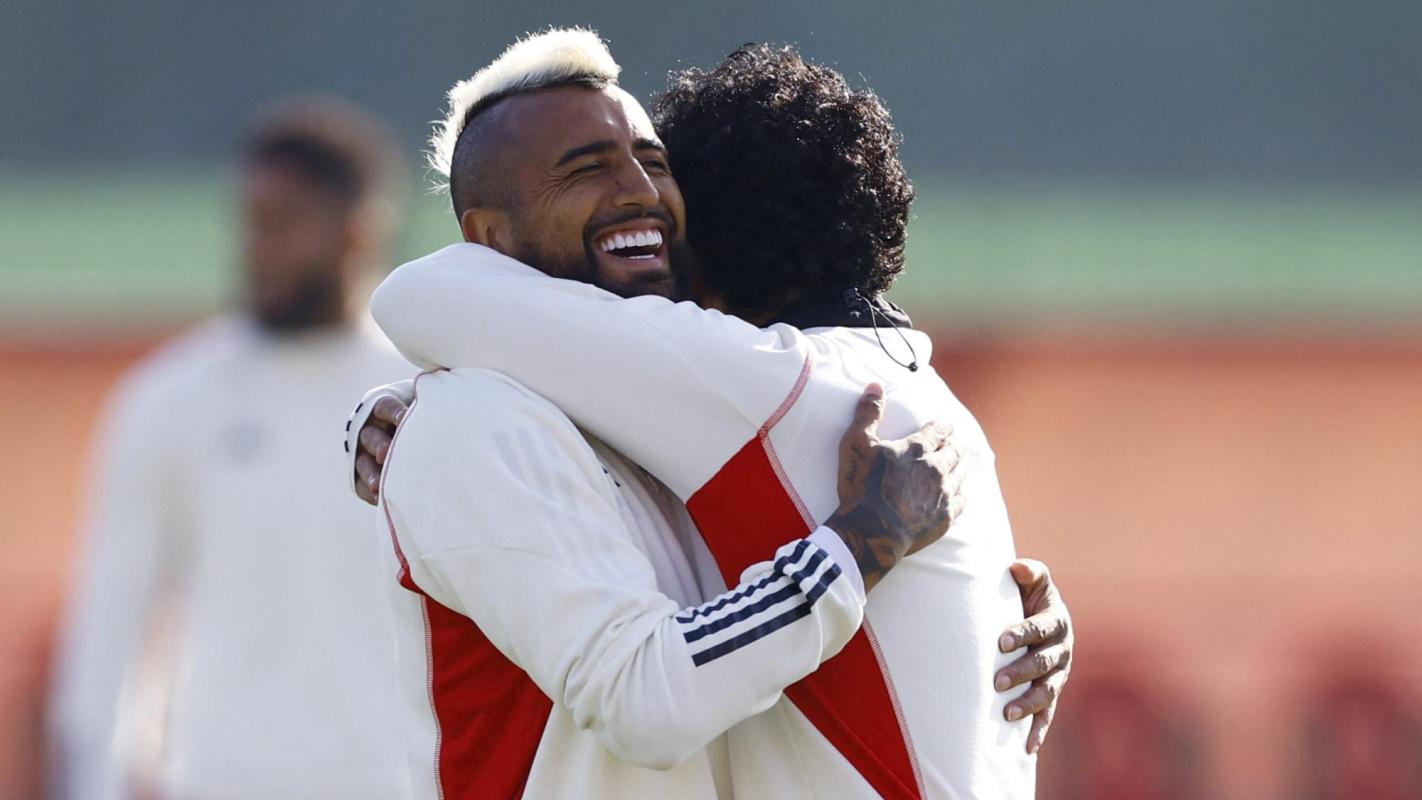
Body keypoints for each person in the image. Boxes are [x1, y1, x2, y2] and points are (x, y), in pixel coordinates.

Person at [350, 30, 1070, 799]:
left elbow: (417, 297)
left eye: (657, 165)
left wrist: (863, 549)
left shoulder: (739, 391)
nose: (640, 193)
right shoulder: (912, 397)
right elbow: (648, 696)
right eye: (587, 169)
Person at [48, 99, 414, 800]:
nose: (255, 248)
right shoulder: (169, 398)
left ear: (357, 230)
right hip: (223, 781)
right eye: (250, 222)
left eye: (283, 223)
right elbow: (110, 621)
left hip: (393, 783)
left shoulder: (423, 394)